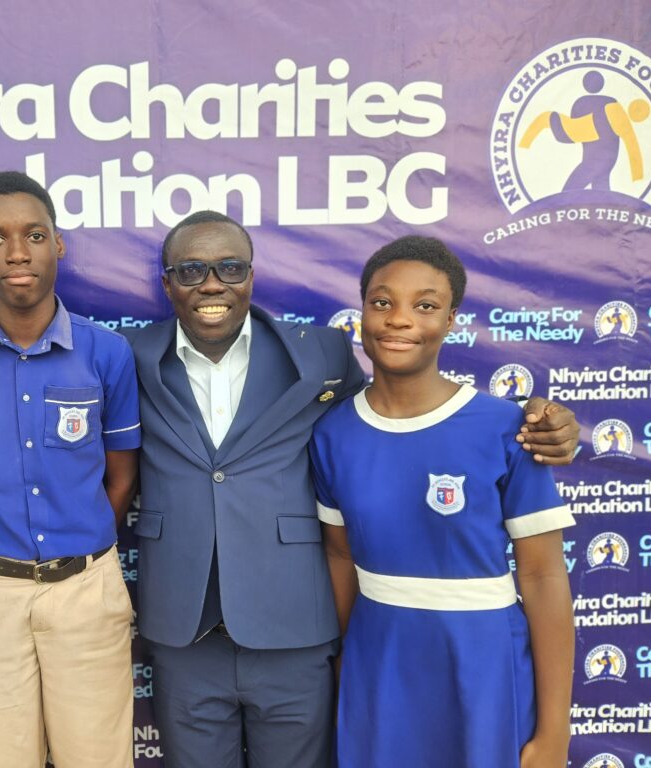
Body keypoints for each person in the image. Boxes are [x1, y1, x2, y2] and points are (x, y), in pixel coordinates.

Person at [124, 211, 580, 768]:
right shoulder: (127, 357)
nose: (213, 283)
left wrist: (548, 422)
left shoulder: (323, 356)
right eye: (192, 269)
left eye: (230, 267)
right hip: (206, 631)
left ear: (251, 275)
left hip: (332, 635)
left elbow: (540, 570)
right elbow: (344, 537)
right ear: (168, 281)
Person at [313, 235, 574, 767]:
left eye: (425, 305)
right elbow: (339, 556)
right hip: (379, 662)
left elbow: (544, 576)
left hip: (483, 664)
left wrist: (555, 733)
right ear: (361, 312)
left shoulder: (508, 427)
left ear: (451, 320)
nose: (399, 319)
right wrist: (345, 667)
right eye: (382, 302)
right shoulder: (332, 432)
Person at [0, 171, 140, 768]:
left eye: (34, 235)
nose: (17, 253)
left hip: (86, 592)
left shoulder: (107, 352)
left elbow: (122, 475)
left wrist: (79, 548)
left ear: (58, 244)